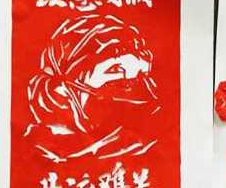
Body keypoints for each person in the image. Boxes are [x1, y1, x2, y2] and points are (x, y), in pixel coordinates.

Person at [25, 14, 159, 163]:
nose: (128, 86)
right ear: (64, 88)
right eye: (115, 71)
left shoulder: (149, 145)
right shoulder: (38, 150)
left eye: (140, 76)